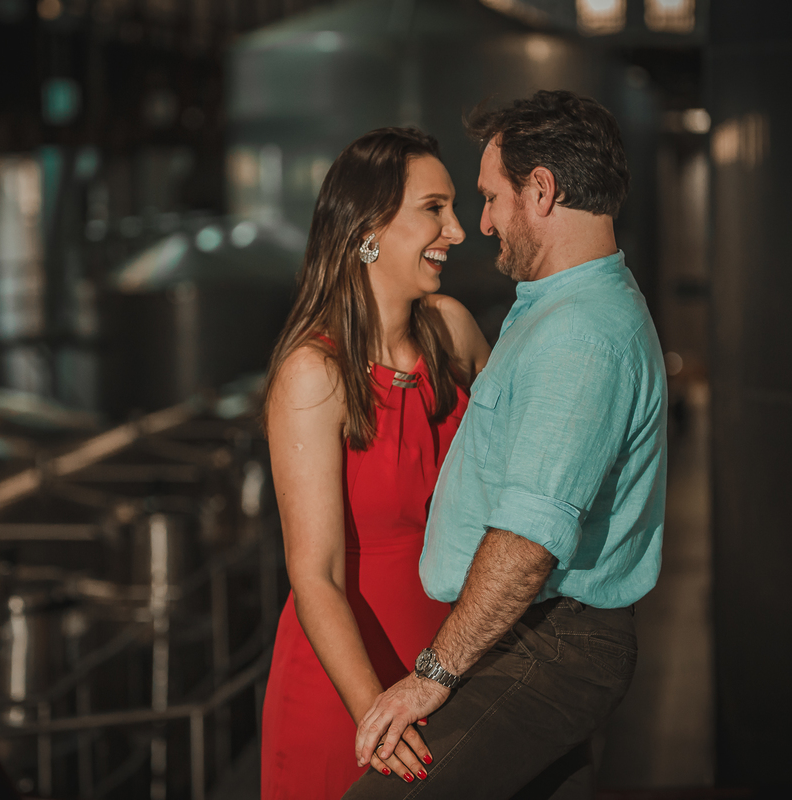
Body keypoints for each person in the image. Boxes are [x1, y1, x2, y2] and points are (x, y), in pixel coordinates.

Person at [345, 90, 667, 799]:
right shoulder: (560, 308)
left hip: (547, 642)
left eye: (491, 198)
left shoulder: (581, 335)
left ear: (541, 190)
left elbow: (527, 543)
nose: (481, 223)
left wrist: (430, 677)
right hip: (529, 632)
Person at [260, 127, 491, 799]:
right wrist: (379, 716)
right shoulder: (313, 373)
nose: (457, 230)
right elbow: (316, 576)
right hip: (347, 693)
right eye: (434, 209)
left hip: (450, 672)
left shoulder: (452, 331)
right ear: (368, 229)